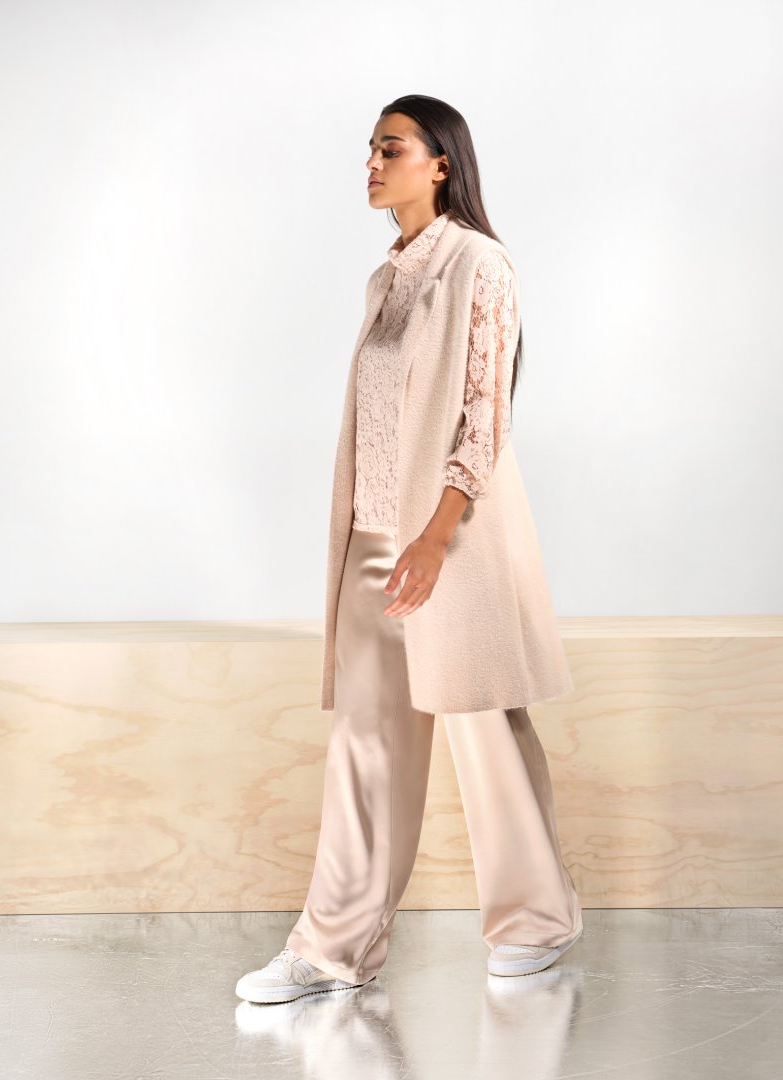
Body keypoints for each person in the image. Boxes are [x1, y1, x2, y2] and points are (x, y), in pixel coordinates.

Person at [236, 94, 583, 1005]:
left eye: (390, 149)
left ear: (441, 164)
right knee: (367, 741)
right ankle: (333, 948)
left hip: (450, 541)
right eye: (370, 149)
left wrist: (434, 535)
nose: (372, 163)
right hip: (370, 540)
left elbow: (485, 414)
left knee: (482, 726)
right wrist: (380, 535)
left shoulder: (480, 264)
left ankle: (534, 923)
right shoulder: (385, 277)